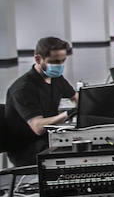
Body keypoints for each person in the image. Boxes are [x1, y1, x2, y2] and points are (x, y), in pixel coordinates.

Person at [3, 37, 75, 167]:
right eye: (54, 61)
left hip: (48, 139)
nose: (59, 65)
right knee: (79, 155)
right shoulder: (23, 89)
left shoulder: (56, 78)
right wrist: (67, 114)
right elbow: (38, 127)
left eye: (62, 61)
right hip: (27, 150)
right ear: (38, 59)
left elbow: (76, 98)